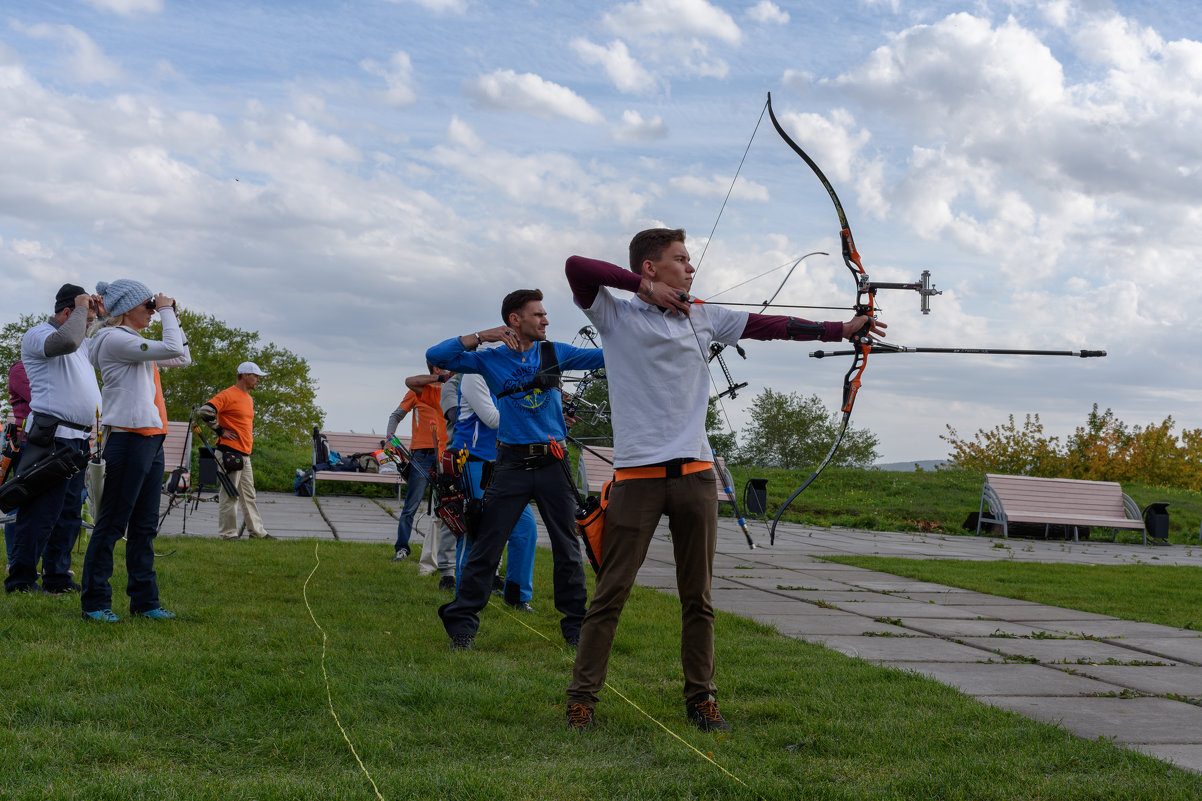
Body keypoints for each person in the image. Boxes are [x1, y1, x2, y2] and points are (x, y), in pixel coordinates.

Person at [562, 228, 886, 732]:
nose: (690, 268)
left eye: (689, 260)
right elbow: (577, 266)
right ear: (649, 268)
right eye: (680, 260)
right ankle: (582, 700)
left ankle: (701, 699)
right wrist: (645, 292)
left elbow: (768, 325)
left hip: (695, 476)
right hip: (636, 478)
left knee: (700, 598)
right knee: (610, 595)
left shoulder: (704, 314)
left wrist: (841, 330)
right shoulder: (616, 315)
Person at [428, 288, 604, 650]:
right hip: (510, 464)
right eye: (538, 314)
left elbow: (607, 356)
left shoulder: (554, 352)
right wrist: (481, 337)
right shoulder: (489, 360)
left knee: (567, 547)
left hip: (553, 462)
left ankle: (576, 627)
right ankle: (462, 626)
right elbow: (436, 356)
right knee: (487, 546)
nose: (546, 320)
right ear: (515, 320)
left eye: (545, 314)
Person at [81, 280, 191, 622]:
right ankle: (95, 602)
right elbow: (173, 347)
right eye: (148, 306)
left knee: (144, 527)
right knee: (112, 524)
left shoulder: (131, 340)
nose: (153, 311)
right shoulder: (115, 340)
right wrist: (169, 310)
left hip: (150, 439)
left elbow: (182, 355)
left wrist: (170, 314)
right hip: (129, 439)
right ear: (128, 308)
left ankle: (144, 601)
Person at [4, 285, 103, 595]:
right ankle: (21, 580)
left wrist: (99, 312)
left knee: (69, 513)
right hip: (52, 436)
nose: (88, 326)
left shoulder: (80, 342)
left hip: (76, 439)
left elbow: (86, 335)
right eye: (85, 319)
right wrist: (81, 306)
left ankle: (57, 577)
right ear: (66, 313)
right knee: (41, 512)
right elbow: (70, 338)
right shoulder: (38, 334)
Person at [450, 370, 538, 611]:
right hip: (473, 460)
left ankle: (517, 595)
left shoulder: (507, 374)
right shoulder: (474, 374)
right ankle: (465, 598)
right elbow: (492, 418)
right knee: (475, 531)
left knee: (525, 529)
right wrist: (534, 415)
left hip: (503, 463)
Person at [385, 366, 456, 591]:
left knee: (445, 506)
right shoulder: (418, 389)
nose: (447, 369)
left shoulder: (450, 389)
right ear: (435, 368)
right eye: (442, 365)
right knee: (411, 505)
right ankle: (402, 548)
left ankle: (441, 557)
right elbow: (396, 415)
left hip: (445, 453)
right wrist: (390, 437)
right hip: (422, 454)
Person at [197, 361, 271, 540]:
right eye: (256, 376)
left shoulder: (248, 398)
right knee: (230, 494)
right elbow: (205, 411)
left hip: (244, 453)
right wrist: (220, 430)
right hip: (229, 453)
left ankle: (257, 532)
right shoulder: (228, 394)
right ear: (245, 375)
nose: (258, 380)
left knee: (248, 495)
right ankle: (228, 534)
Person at [4, 359, 31, 571]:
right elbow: (39, 399)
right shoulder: (20, 368)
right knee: (18, 500)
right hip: (24, 441)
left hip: (47, 440)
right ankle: (14, 561)